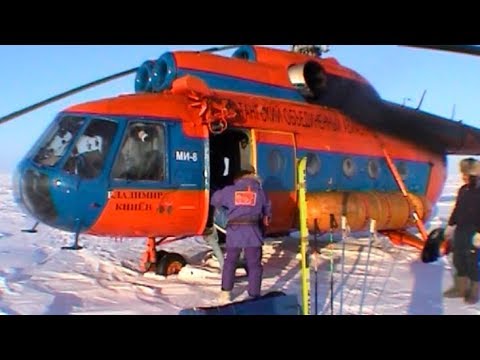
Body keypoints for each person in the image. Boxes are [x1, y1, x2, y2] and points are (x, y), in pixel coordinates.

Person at [210, 165, 272, 303]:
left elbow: (214, 199)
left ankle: (226, 293)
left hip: (235, 232)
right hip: (253, 232)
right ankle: (254, 295)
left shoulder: (230, 190)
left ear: (238, 179)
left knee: (230, 262)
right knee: (254, 264)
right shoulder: (260, 192)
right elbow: (267, 212)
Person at [443, 160, 480, 304]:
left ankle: (474, 292)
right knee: (458, 259)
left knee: (472, 261)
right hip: (461, 229)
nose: (463, 177)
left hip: (475, 231)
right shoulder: (463, 190)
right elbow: (457, 209)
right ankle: (460, 288)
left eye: (465, 174)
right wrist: (451, 225)